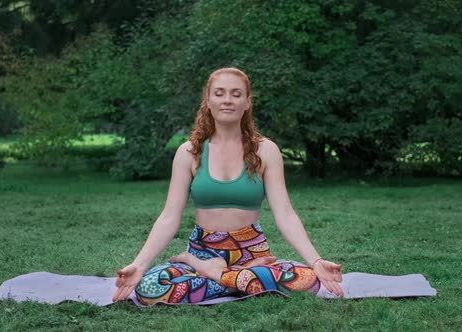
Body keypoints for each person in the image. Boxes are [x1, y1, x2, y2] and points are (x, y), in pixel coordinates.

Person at [113, 67, 343, 305]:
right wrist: (139, 265)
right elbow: (169, 216)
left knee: (308, 281)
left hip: (252, 253)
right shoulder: (189, 153)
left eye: (236, 94)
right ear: (208, 100)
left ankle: (208, 272)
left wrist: (316, 262)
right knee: (149, 288)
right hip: (203, 250)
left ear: (247, 102)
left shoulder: (266, 151)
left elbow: (285, 214)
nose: (227, 100)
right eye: (220, 93)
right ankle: (234, 279)